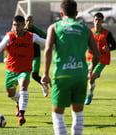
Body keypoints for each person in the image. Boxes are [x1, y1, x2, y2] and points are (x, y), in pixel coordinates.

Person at [41, 0, 100, 135]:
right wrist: (91, 68)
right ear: (77, 13)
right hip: (80, 75)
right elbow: (97, 55)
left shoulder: (54, 27)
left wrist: (45, 73)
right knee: (78, 113)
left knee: (58, 114)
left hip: (62, 75)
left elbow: (48, 49)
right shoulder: (85, 29)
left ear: (61, 13)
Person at [0, 15, 45, 126]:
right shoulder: (9, 36)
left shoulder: (32, 36)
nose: (15, 27)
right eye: (14, 25)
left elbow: (45, 41)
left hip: (24, 69)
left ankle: (22, 115)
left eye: (18, 25)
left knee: (24, 85)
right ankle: (19, 102)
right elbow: (0, 46)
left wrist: (57, 43)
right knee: (10, 94)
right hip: (11, 70)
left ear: (23, 25)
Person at [85, 12, 116, 105]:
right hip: (90, 58)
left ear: (102, 21)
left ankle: (90, 95)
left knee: (91, 78)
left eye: (99, 20)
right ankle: (89, 90)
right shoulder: (89, 32)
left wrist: (109, 48)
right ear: (93, 21)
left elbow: (114, 45)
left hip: (102, 59)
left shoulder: (107, 34)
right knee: (89, 77)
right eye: (95, 19)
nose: (97, 22)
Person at [24, 15, 48, 97]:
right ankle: (22, 91)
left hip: (36, 56)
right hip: (25, 57)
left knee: (34, 75)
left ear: (33, 22)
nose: (28, 22)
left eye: (30, 21)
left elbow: (46, 37)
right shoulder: (22, 30)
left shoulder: (36, 30)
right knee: (23, 74)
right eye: (27, 20)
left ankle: (43, 85)